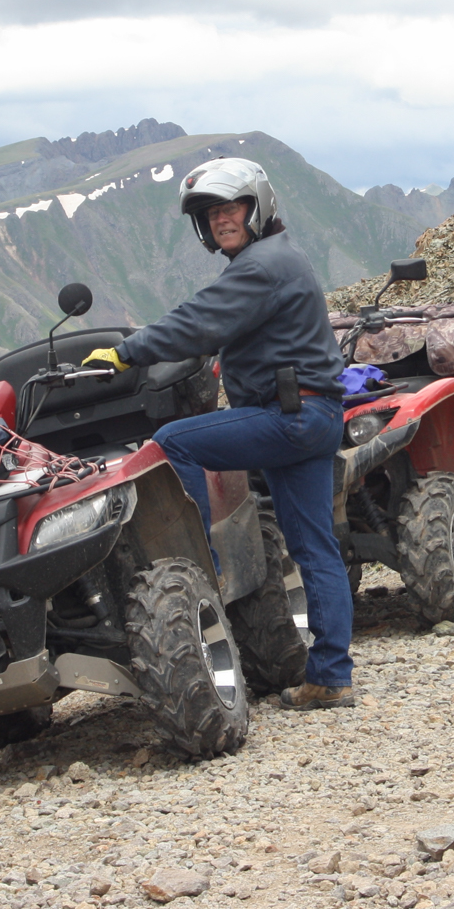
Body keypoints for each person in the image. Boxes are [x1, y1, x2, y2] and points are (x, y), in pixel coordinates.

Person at [81, 157, 355, 709]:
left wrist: (124, 352)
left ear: (257, 207)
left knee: (173, 442)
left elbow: (199, 320)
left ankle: (197, 567)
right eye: (211, 215)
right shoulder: (277, 258)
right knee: (314, 548)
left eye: (231, 208)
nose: (221, 220)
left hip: (289, 418)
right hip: (312, 415)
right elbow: (224, 325)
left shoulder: (262, 264)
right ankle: (330, 676)